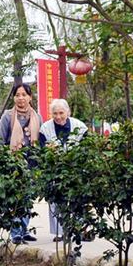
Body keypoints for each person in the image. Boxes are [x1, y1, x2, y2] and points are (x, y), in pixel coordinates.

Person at [39, 98, 88, 242]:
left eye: (61, 113)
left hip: (76, 170)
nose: (58, 116)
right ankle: (60, 233)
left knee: (77, 200)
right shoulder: (45, 129)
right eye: (55, 113)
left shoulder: (80, 126)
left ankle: (78, 229)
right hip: (55, 171)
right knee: (57, 200)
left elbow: (86, 150)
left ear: (68, 112)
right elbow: (43, 151)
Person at [0, 83, 40, 244]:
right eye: (18, 95)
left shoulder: (37, 116)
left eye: (24, 95)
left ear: (30, 97)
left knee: (28, 198)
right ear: (14, 97)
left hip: (31, 163)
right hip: (14, 164)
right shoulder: (7, 117)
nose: (21, 98)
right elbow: (1, 142)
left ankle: (24, 230)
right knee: (16, 198)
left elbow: (40, 142)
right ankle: (16, 232)